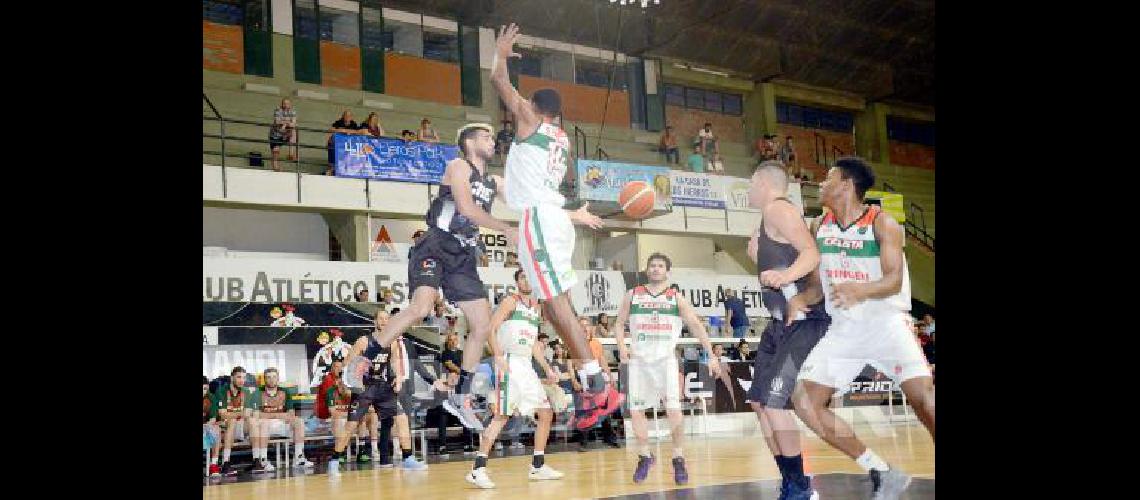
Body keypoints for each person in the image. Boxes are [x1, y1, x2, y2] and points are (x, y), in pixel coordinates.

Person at [489, 23, 621, 430]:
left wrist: (500, 54)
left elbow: (498, 81)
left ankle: (598, 384)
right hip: (552, 219)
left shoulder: (532, 122)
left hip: (540, 222)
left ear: (533, 106)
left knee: (555, 304)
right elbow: (523, 184)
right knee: (552, 302)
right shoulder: (559, 139)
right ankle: (591, 379)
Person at [791, 157, 934, 499]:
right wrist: (799, 300)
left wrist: (861, 289)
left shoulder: (883, 223)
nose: (821, 184)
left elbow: (894, 279)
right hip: (844, 329)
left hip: (887, 324)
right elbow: (817, 285)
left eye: (828, 179)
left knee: (924, 401)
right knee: (804, 402)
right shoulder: (818, 225)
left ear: (846, 185)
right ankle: (882, 471)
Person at [366, 122, 519, 433]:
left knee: (482, 325)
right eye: (486, 137)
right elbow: (465, 208)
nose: (492, 141)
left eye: (492, 137)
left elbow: (529, 205)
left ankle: (459, 395)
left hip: (463, 254)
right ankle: (366, 357)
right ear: (469, 141)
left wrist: (570, 215)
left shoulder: (494, 181)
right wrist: (506, 228)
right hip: (436, 244)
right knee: (421, 308)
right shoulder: (458, 166)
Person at [743, 160, 829, 499]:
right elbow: (783, 257)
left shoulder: (779, 209)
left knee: (775, 405)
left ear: (763, 182)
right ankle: (791, 480)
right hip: (779, 323)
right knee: (760, 405)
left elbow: (812, 253)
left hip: (804, 320)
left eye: (751, 183)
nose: (748, 190)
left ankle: (800, 486)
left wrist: (785, 276)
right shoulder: (766, 222)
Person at [614, 252, 721, 485]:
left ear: (667, 271)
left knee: (673, 410)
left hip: (665, 361)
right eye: (652, 266)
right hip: (640, 361)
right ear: (646, 270)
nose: (655, 269)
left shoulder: (676, 298)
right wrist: (622, 346)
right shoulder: (633, 295)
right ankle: (644, 455)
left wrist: (711, 355)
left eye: (660, 266)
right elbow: (618, 324)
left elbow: (696, 326)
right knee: (636, 411)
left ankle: (678, 457)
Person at [465, 269, 565, 488]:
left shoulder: (536, 308)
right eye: (522, 277)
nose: (526, 280)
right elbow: (489, 329)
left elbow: (534, 345)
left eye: (529, 277)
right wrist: (498, 356)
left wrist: (547, 368)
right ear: (517, 282)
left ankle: (537, 466)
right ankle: (477, 469)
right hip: (509, 363)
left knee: (546, 413)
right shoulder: (511, 302)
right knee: (502, 415)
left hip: (526, 365)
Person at [326, 323, 401, 475]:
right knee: (351, 424)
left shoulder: (392, 343)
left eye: (387, 319)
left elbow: (395, 362)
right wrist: (351, 381)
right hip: (364, 387)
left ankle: (396, 456)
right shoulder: (363, 341)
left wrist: (398, 377)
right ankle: (334, 461)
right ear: (375, 322)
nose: (385, 322)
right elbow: (347, 362)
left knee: (394, 418)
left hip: (381, 385)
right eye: (381, 319)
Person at [252, 368, 314, 472]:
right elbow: (256, 415)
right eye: (268, 377)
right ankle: (263, 460)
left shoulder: (285, 391)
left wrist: (272, 415)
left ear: (278, 379)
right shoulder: (258, 392)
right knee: (264, 423)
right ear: (265, 379)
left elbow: (290, 413)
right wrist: (278, 415)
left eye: (274, 377)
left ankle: (299, 458)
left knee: (299, 421)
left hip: (282, 424)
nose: (271, 380)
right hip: (264, 426)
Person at [215, 366, 255, 476]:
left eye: (243, 378)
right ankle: (226, 462)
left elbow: (248, 414)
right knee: (231, 421)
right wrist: (240, 414)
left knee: (253, 422)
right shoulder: (221, 391)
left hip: (241, 426)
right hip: (225, 427)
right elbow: (223, 415)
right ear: (232, 378)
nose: (242, 380)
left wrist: (241, 414)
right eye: (239, 377)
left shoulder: (246, 392)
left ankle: (258, 460)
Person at [327, 110, 362, 175]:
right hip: (339, 143)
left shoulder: (353, 124)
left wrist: (348, 131)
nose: (347, 117)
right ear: (343, 116)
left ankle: (350, 168)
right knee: (331, 144)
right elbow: (330, 129)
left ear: (351, 117)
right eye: (346, 115)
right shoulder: (338, 122)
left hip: (349, 144)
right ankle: (331, 168)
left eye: (349, 116)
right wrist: (342, 130)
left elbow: (358, 132)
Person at [269, 98, 297, 172]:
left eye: (288, 103)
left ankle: (291, 154)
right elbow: (277, 121)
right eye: (284, 103)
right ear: (282, 104)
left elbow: (294, 123)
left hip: (285, 132)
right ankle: (276, 168)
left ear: (290, 105)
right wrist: (287, 122)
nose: (286, 105)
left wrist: (285, 124)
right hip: (276, 134)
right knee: (275, 151)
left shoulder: (292, 111)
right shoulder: (278, 110)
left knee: (293, 131)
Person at [204, 376, 223, 477]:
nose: (203, 392)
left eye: (205, 389)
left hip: (206, 427)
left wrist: (208, 425)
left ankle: (213, 464)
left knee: (216, 429)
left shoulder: (211, 397)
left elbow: (213, 418)